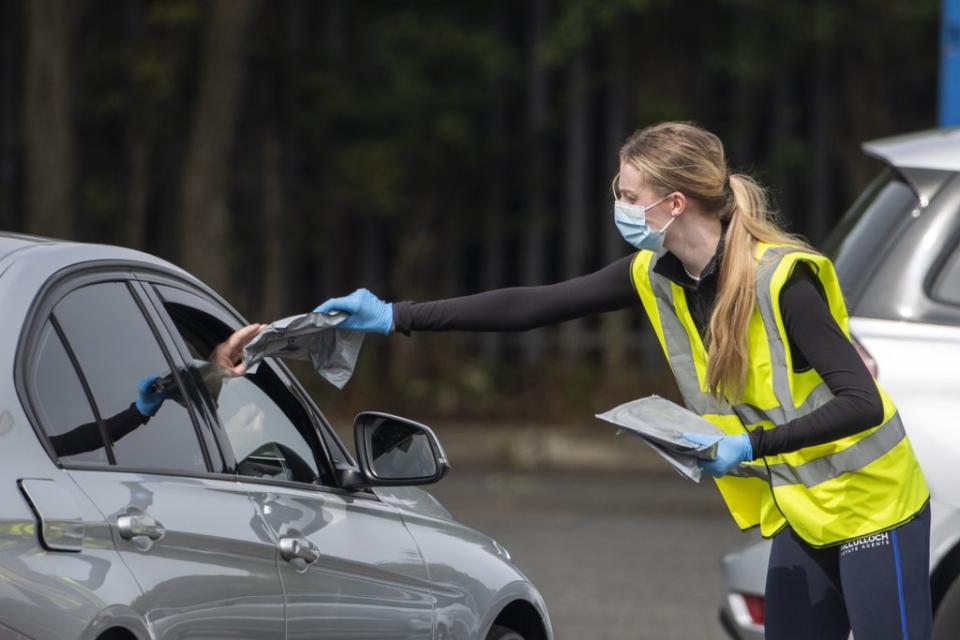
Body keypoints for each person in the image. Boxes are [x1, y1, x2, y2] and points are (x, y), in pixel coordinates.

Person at [314, 121, 931, 639]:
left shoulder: (781, 280)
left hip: (876, 509)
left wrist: (748, 447)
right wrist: (395, 316)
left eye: (629, 193)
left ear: (675, 203)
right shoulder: (656, 273)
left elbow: (862, 404)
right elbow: (532, 305)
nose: (621, 205)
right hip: (802, 513)